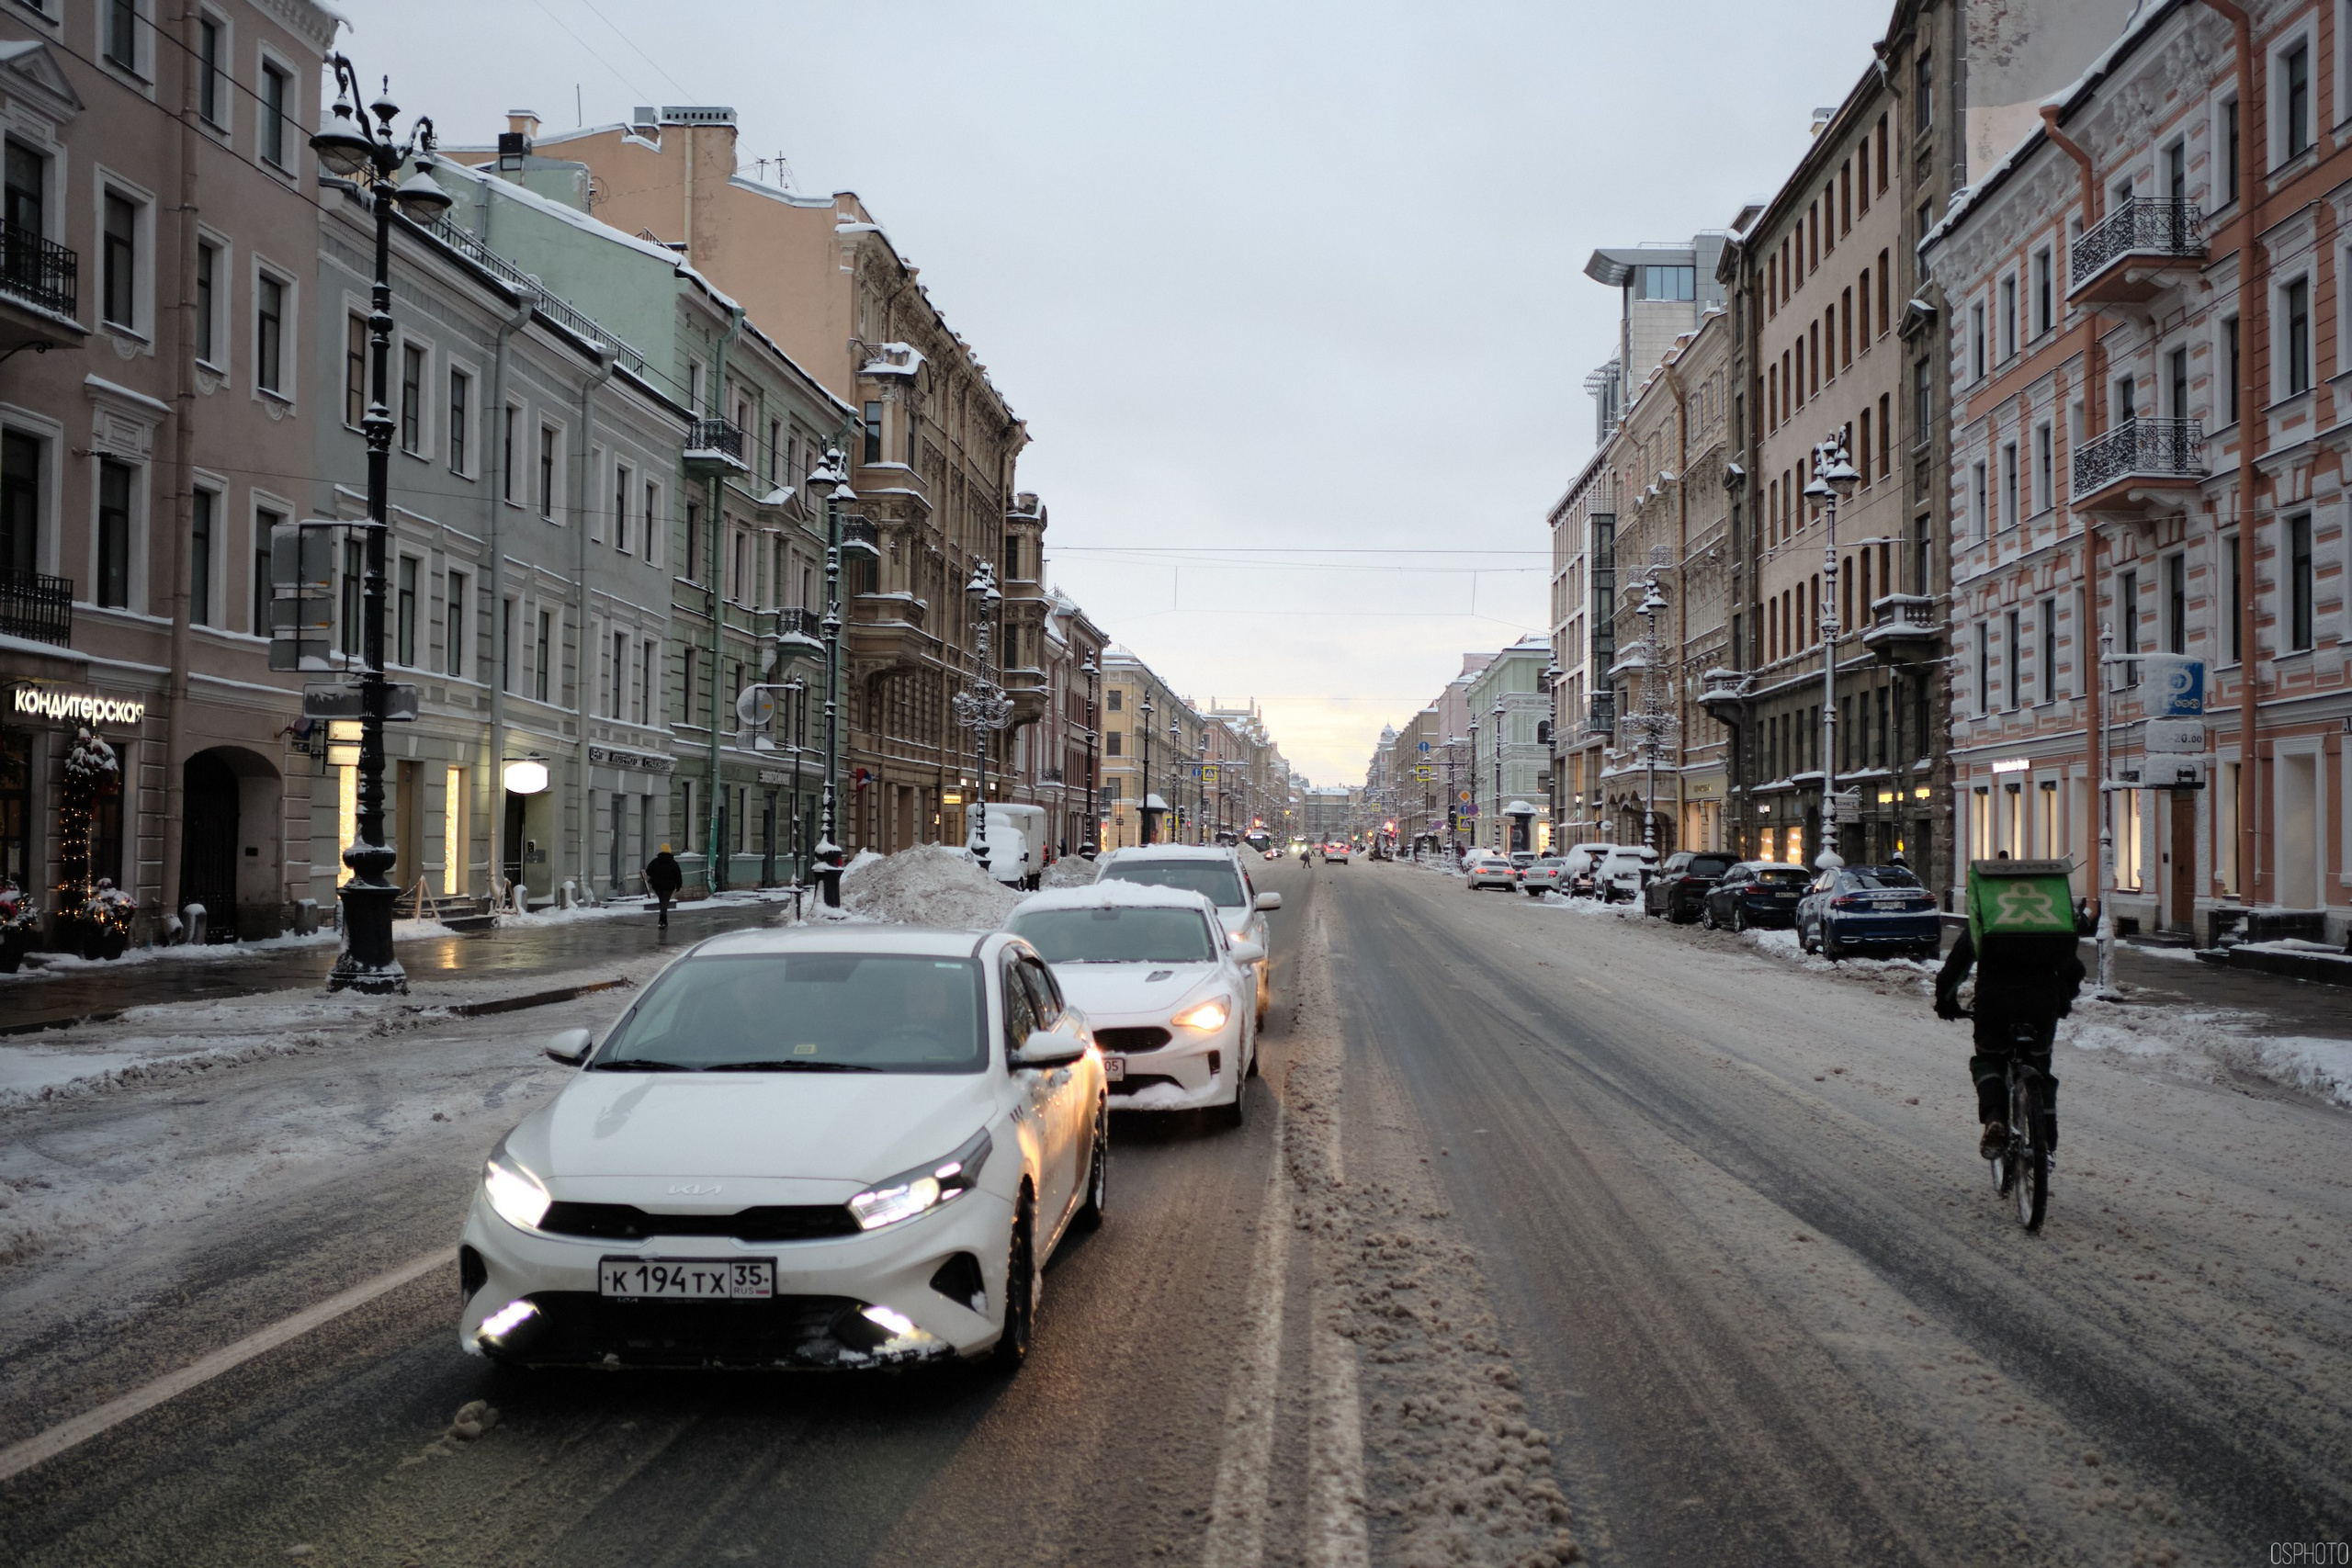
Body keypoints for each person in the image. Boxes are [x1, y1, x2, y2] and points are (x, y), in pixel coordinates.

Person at [1935, 863, 2085, 1158]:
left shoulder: (1986, 921)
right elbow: (2073, 969)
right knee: (2040, 1069)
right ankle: (2046, 1142)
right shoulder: (2048, 921)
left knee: (1988, 1060)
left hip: (1995, 1005)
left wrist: (1946, 1002)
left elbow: (1955, 970)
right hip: (2042, 1005)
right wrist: (2064, 999)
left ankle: (1995, 1120)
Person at [644, 843, 684, 930]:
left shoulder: (655, 861)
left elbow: (648, 871)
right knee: (664, 902)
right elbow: (678, 875)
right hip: (668, 886)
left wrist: (654, 878)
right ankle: (663, 920)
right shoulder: (673, 863)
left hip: (657, 885)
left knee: (662, 901)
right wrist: (678, 886)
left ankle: (662, 920)